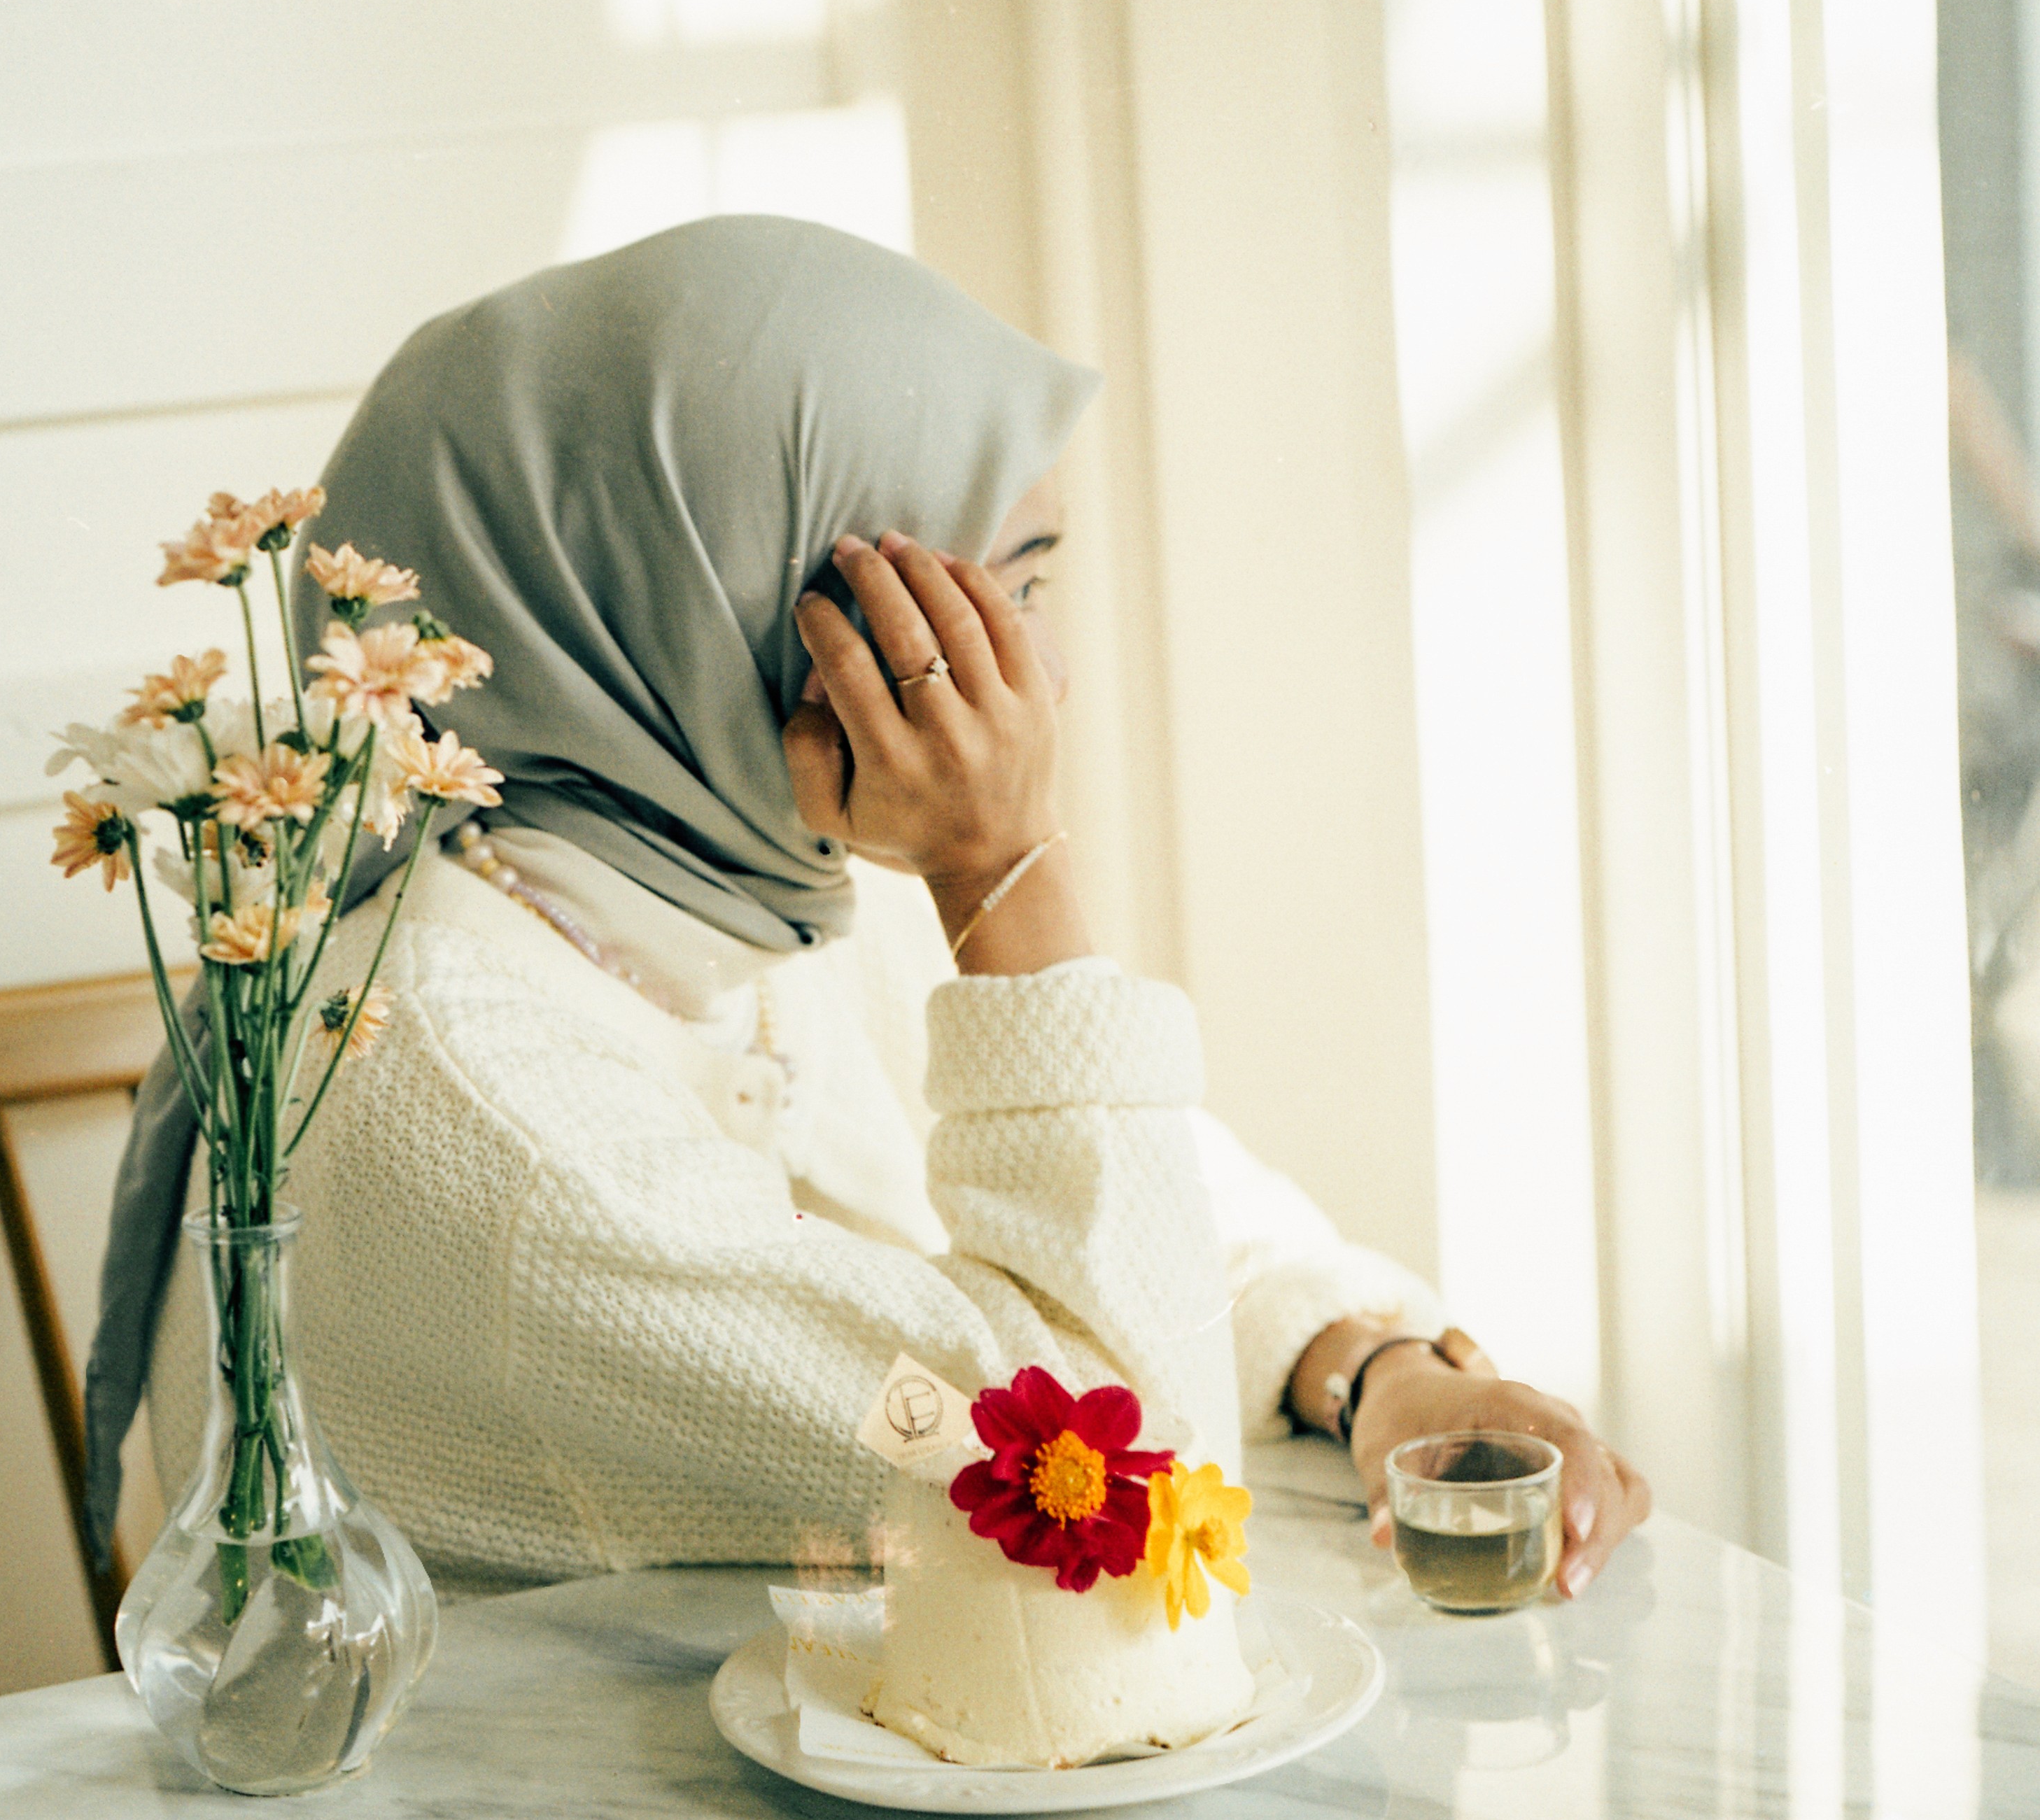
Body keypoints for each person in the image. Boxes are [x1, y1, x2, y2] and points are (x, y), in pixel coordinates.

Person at [83, 214, 1650, 1598]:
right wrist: (1001, 865)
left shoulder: (732, 887)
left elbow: (1147, 1225)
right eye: (990, 603)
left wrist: (1368, 1364)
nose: (1035, 685)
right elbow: (1099, 1470)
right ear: (740, 606)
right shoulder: (480, 1113)